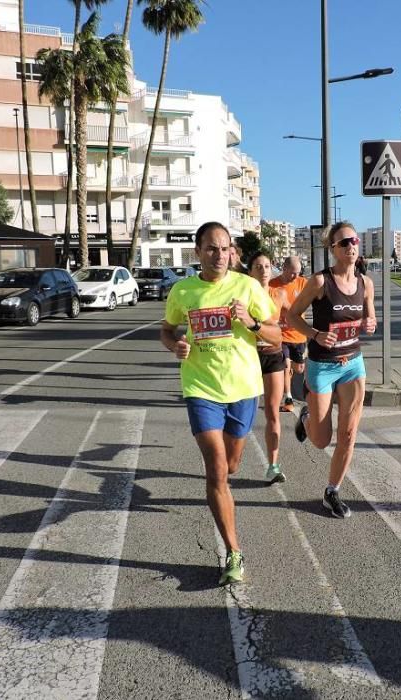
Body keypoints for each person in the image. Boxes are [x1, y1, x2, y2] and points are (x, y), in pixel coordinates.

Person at [161, 222, 280, 584]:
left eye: (225, 248)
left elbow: (277, 336)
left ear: (232, 252)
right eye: (211, 248)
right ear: (197, 252)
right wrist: (175, 345)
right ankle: (233, 551)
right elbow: (167, 330)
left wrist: (252, 322)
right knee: (215, 469)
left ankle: (223, 490)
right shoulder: (183, 291)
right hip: (201, 387)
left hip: (243, 388)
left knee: (231, 465)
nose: (219, 255)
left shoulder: (247, 287)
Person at [286, 222, 376, 519]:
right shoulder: (320, 282)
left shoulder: (366, 283)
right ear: (333, 249)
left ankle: (332, 491)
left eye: (355, 240)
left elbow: (370, 316)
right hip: (322, 366)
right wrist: (314, 334)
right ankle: (307, 415)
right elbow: (292, 315)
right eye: (344, 242)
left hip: (353, 363)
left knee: (348, 434)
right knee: (321, 440)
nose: (352, 245)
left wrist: (370, 323)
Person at [247, 251, 288, 484]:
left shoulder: (279, 294)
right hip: (248, 357)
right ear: (250, 271)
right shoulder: (242, 296)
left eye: (267, 266)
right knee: (245, 411)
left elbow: (295, 316)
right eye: (258, 266)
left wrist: (301, 348)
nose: (264, 270)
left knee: (273, 412)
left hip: (273, 355)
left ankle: (273, 465)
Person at [269, 255, 307, 412]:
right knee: (285, 364)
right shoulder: (272, 285)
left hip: (298, 334)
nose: (296, 276)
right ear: (284, 269)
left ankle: (291, 370)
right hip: (281, 334)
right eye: (292, 273)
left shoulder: (303, 283)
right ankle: (289, 398)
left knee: (298, 369)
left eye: (298, 272)